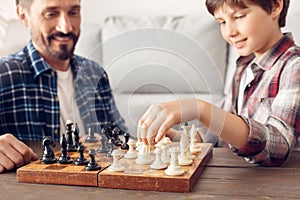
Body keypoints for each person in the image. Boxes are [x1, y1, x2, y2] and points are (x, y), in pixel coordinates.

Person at [137, 0, 300, 166]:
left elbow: (278, 146)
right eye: (222, 22)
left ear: (275, 6)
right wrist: (179, 138)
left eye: (239, 16)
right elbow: (223, 133)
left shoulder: (295, 66)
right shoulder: (244, 66)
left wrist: (200, 108)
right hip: (238, 177)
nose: (229, 32)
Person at [0, 0, 126, 173]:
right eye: (51, 14)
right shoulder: (3, 75)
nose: (66, 28)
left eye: (73, 12)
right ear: (24, 16)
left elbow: (121, 137)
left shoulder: (95, 73)